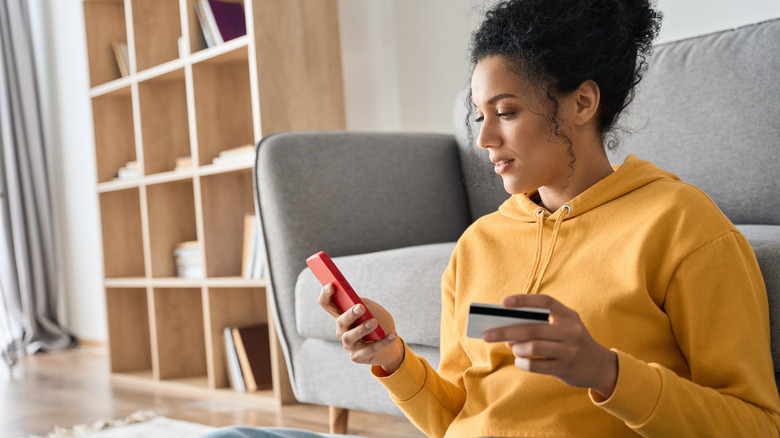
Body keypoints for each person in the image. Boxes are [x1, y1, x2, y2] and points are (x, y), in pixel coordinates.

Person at [205, 0, 780, 437]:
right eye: (478, 114)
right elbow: (456, 413)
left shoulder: (682, 227)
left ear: (582, 103)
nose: (483, 138)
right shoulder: (481, 243)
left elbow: (756, 422)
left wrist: (608, 373)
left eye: (505, 112)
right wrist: (392, 358)